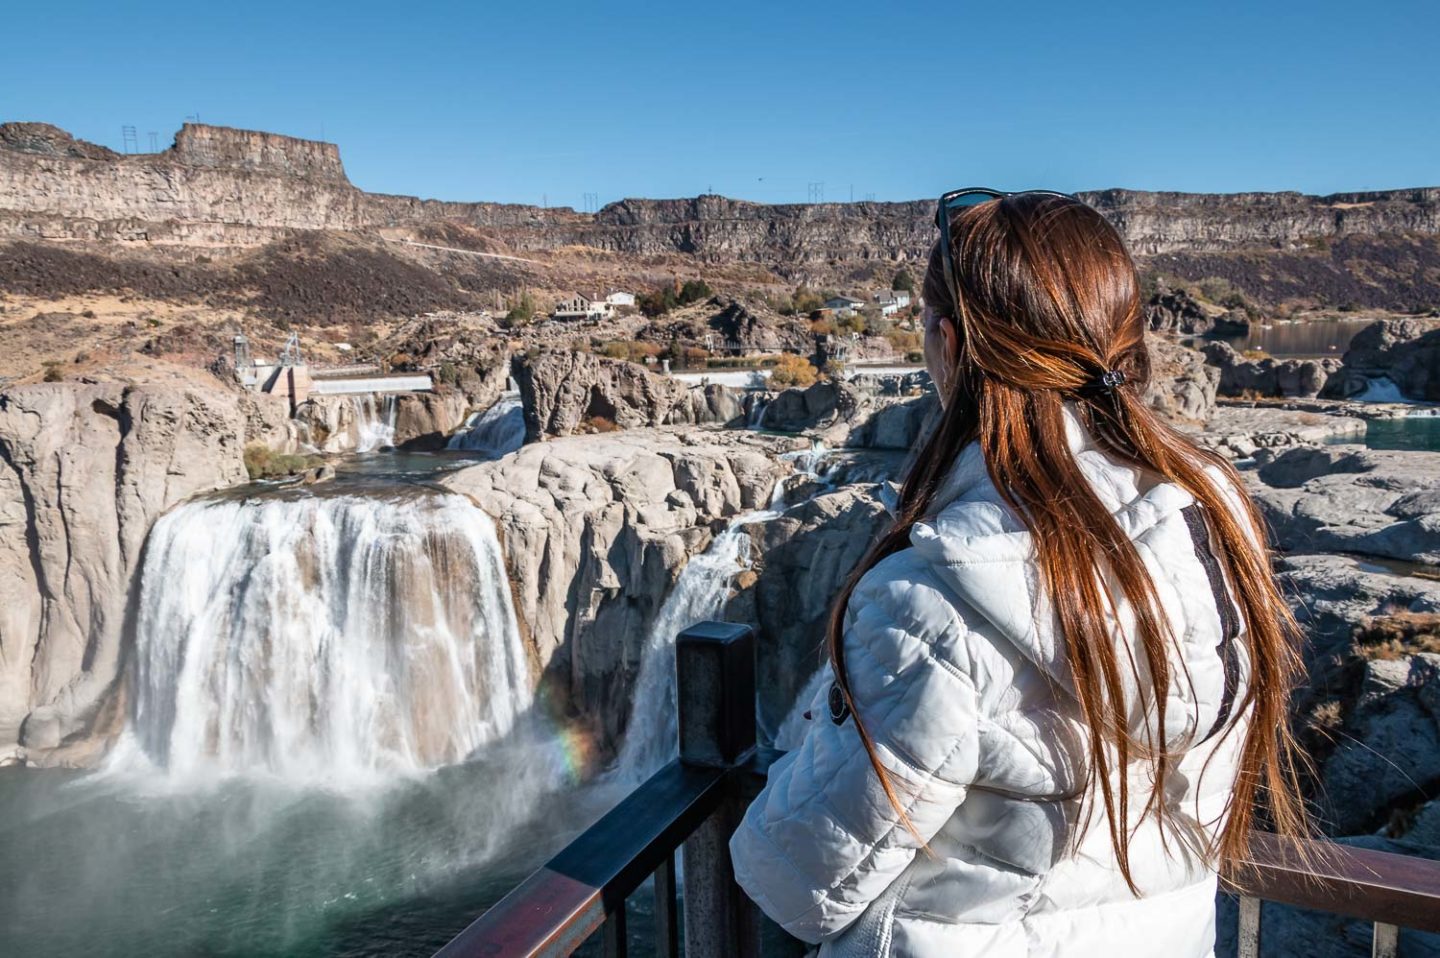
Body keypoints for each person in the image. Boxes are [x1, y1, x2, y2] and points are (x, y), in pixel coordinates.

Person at [729, 190, 1309, 957]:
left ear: (946, 343)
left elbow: (800, 882)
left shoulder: (934, 600)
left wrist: (812, 734)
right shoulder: (1214, 535)